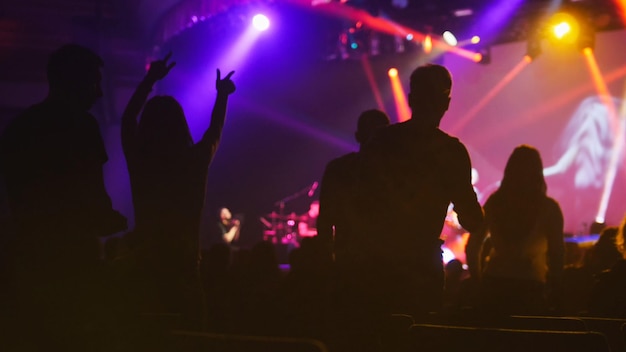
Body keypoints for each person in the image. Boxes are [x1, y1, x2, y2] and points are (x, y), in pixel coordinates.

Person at [0, 43, 127, 349]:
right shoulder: (83, 126)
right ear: (75, 81)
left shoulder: (19, 127)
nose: (98, 93)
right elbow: (95, 199)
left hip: (26, 261)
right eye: (94, 83)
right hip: (74, 262)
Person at [347, 64, 485, 317]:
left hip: (375, 264)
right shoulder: (451, 152)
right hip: (421, 266)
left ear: (411, 99)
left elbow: (358, 203)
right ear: (447, 102)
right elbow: (472, 219)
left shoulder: (380, 141)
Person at [120, 52, 235, 327]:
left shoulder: (140, 161)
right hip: (185, 267)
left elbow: (127, 121)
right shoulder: (193, 162)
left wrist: (150, 79)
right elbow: (214, 132)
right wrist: (222, 96)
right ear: (181, 124)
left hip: (144, 264)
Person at [467, 145, 565, 315]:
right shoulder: (549, 208)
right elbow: (557, 253)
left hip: (494, 284)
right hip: (531, 285)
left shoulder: (495, 202)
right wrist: (555, 286)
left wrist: (477, 280)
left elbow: (473, 245)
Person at [317, 108, 390, 263]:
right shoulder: (398, 172)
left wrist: (326, 260)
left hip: (348, 259)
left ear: (357, 136)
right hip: (386, 263)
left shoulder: (338, 168)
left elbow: (325, 220)